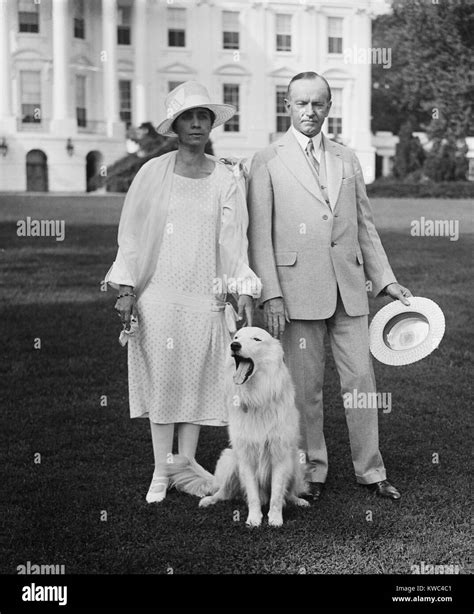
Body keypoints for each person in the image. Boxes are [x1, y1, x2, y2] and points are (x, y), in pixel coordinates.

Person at [247, 72, 412, 502]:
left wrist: (386, 280)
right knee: (305, 390)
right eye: (301, 103)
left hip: (351, 289)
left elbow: (364, 227)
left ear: (329, 107)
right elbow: (259, 236)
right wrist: (272, 294)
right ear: (288, 106)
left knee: (361, 381)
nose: (310, 111)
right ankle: (311, 471)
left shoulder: (346, 158)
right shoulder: (266, 159)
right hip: (296, 291)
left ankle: (371, 471)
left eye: (318, 103)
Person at [105, 81, 260, 503]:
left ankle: (185, 468)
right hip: (159, 294)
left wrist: (242, 287)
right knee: (163, 384)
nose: (195, 124)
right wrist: (127, 288)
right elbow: (132, 235)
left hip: (204, 295)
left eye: (202, 117)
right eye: (187, 117)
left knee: (195, 382)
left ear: (211, 123)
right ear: (174, 125)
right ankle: (160, 470)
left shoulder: (227, 177)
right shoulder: (153, 172)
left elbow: (234, 240)